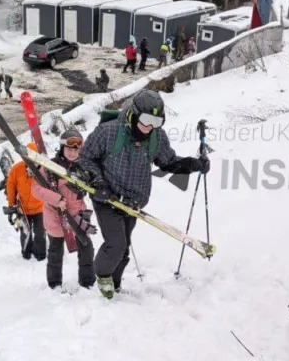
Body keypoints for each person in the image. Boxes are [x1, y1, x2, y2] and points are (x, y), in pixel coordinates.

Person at [75, 89, 209, 299]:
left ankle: (116, 284)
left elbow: (168, 162)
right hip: (107, 198)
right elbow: (85, 158)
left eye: (156, 122)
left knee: (124, 248)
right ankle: (102, 277)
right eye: (145, 120)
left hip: (133, 202)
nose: (149, 127)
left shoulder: (156, 137)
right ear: (133, 114)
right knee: (116, 245)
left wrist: (193, 164)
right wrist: (98, 182)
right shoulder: (108, 132)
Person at [29, 129, 97, 291]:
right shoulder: (50, 167)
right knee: (55, 252)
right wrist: (56, 199)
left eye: (76, 149)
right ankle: (54, 283)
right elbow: (36, 189)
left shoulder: (85, 166)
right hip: (55, 216)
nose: (73, 153)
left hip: (78, 214)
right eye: (69, 149)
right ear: (62, 148)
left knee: (86, 248)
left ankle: (87, 281)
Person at [5, 143, 47, 262]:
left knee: (40, 233)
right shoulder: (16, 169)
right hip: (22, 209)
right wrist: (11, 204)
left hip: (40, 208)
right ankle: (26, 252)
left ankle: (41, 253)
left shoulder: (43, 170)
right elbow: (10, 186)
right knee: (25, 233)